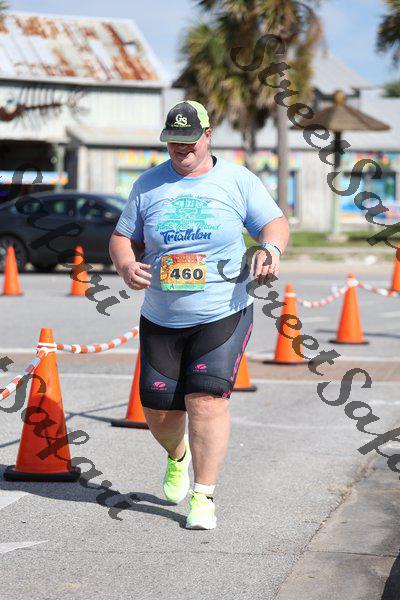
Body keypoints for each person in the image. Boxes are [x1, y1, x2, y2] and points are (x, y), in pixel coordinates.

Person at [109, 100, 290, 529]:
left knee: (206, 401)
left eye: (190, 140)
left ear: (208, 135)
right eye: (174, 141)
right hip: (162, 316)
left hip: (223, 311)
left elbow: (275, 223)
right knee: (159, 412)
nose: (181, 148)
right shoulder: (148, 184)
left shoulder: (237, 180)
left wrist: (270, 248)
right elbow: (122, 237)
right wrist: (126, 264)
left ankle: (203, 495)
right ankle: (178, 456)